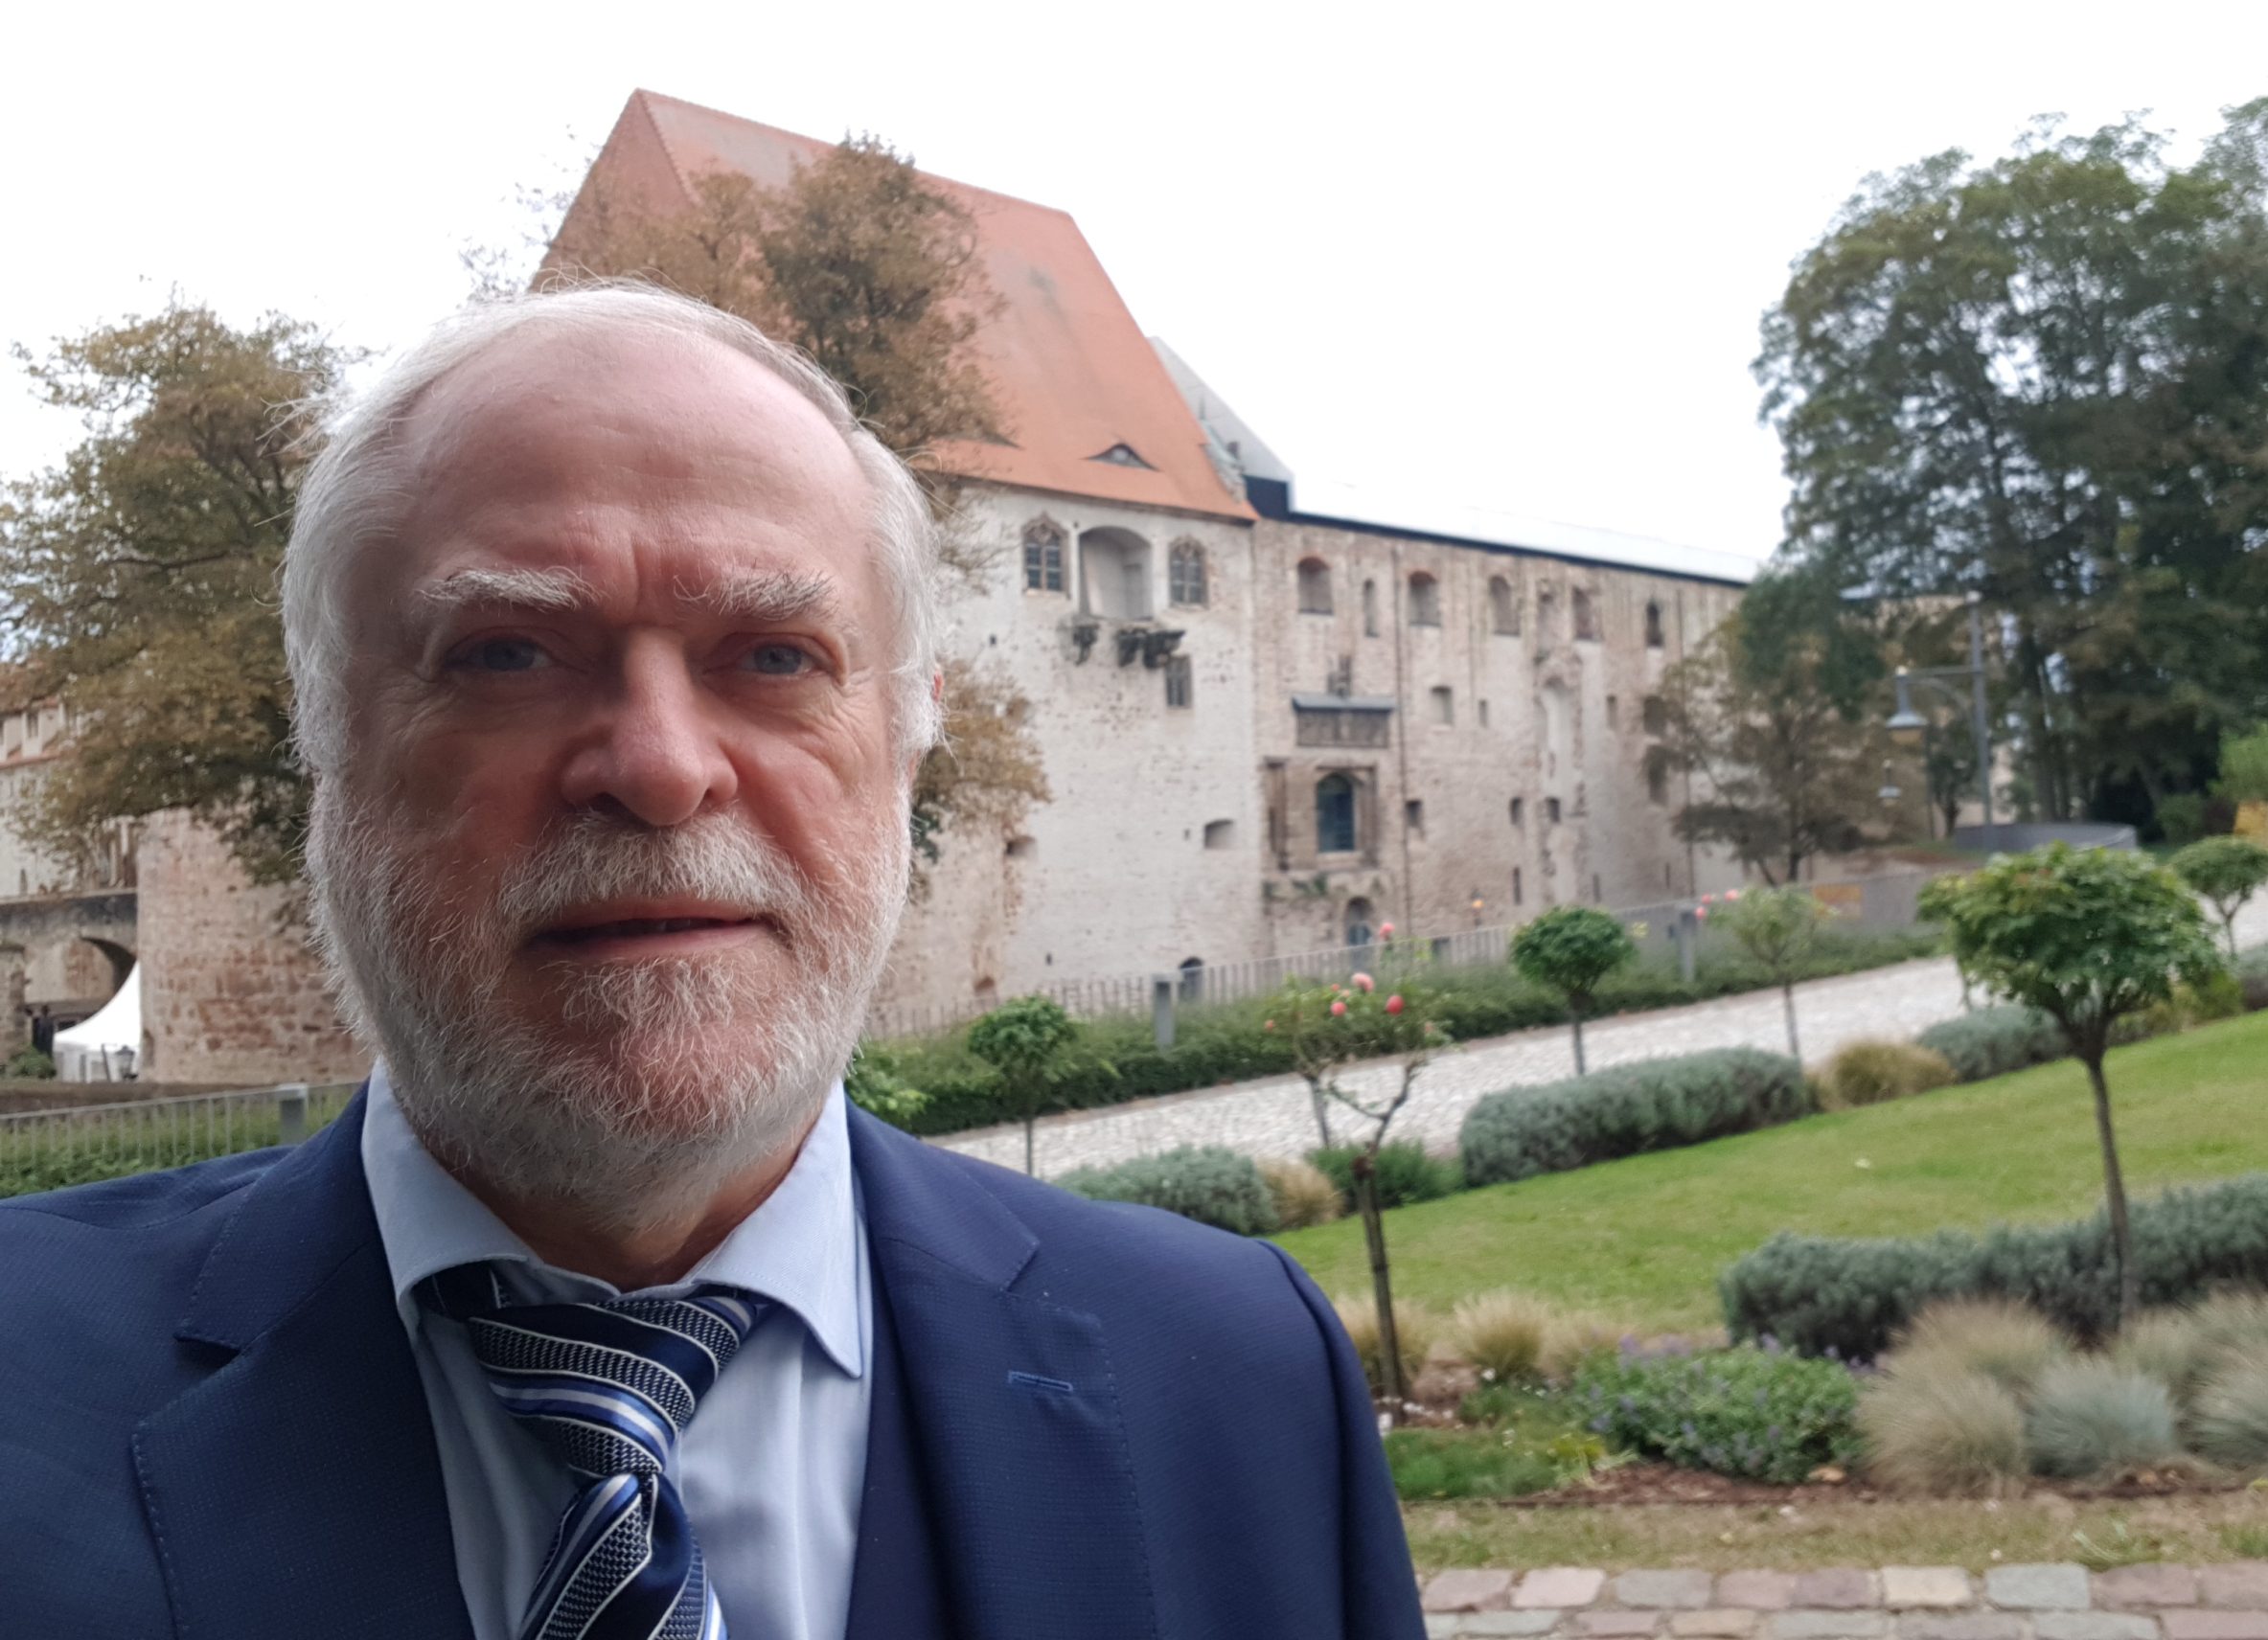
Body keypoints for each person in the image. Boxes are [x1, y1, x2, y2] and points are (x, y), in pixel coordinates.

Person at [0, 284, 1423, 1639]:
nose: (662, 770)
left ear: (908, 739)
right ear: (324, 737)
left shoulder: (1243, 1382)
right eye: (506, 654)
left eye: (777, 656)